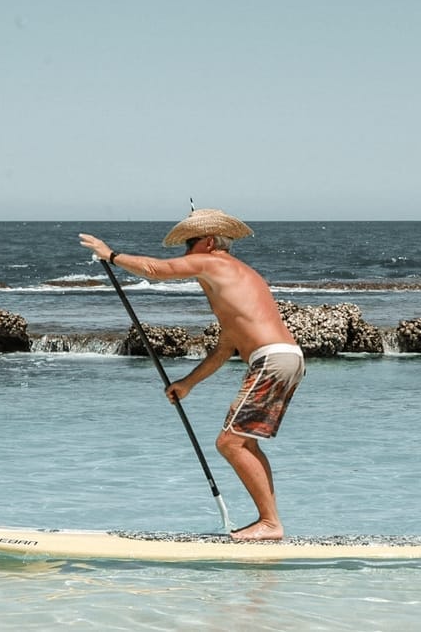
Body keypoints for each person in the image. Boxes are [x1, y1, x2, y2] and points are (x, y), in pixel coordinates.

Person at [79, 208, 304, 541]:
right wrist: (187, 383)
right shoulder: (238, 279)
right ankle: (269, 522)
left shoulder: (216, 262)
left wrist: (110, 255)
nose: (185, 255)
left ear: (210, 242)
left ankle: (270, 523)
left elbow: (158, 269)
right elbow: (225, 348)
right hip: (282, 359)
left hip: (271, 360)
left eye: (190, 245)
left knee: (230, 443)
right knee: (243, 444)